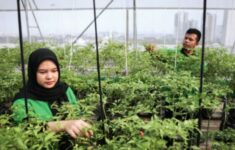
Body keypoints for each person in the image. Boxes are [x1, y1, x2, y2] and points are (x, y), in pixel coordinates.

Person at [11, 48, 93, 139]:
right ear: (33, 73)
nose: (49, 77)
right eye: (42, 72)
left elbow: (77, 113)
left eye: (54, 71)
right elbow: (26, 128)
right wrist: (63, 125)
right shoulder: (22, 101)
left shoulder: (65, 90)